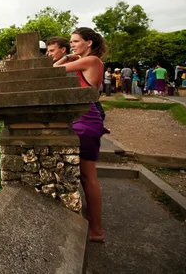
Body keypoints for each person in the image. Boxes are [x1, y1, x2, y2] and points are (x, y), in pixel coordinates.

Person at [53, 27, 108, 243]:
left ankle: (97, 230)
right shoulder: (88, 61)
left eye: (76, 41)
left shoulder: (91, 61)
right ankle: (95, 226)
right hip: (84, 118)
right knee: (86, 176)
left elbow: (53, 69)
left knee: (88, 176)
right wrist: (70, 55)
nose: (73, 44)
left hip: (85, 119)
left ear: (89, 43)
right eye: (71, 41)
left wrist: (66, 56)